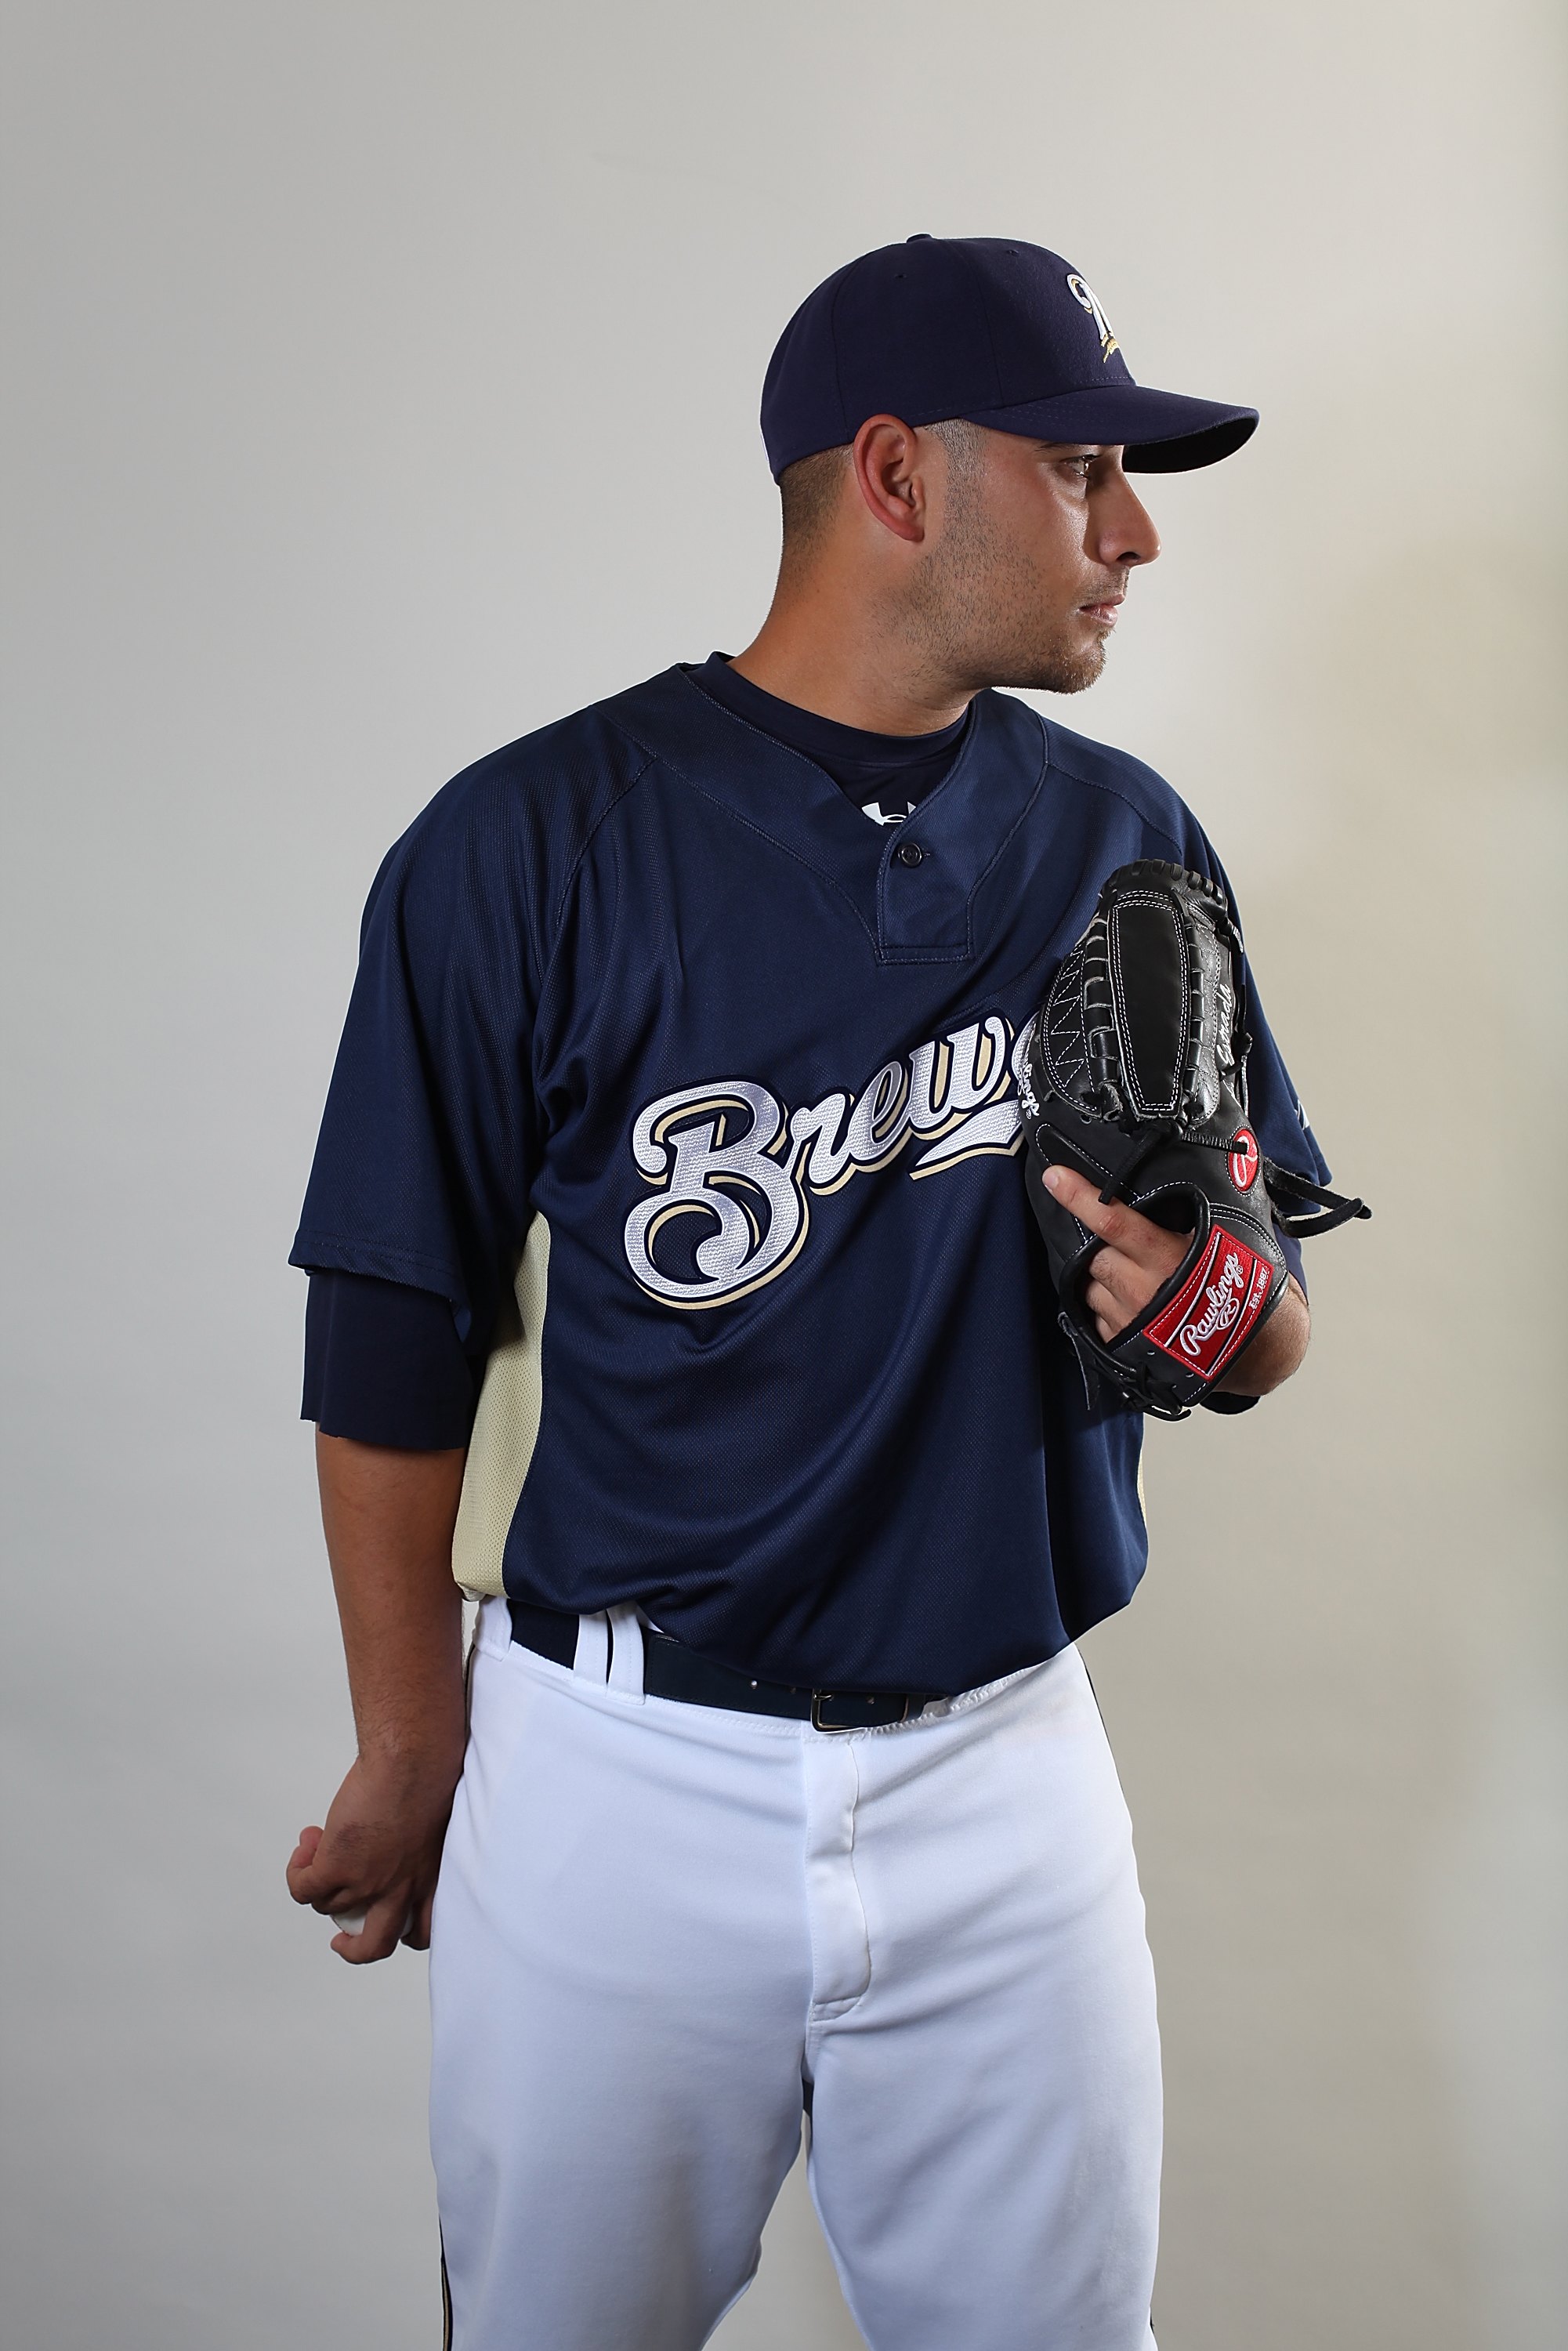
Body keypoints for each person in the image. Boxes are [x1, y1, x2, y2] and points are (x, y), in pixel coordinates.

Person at [285, 234, 1328, 2350]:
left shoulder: (1122, 836)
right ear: (894, 475)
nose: (1130, 530)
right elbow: (393, 1336)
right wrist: (411, 1742)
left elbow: (1263, 1286)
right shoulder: (530, 840)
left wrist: (1212, 1310)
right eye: (1079, 472)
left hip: (1006, 1775)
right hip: (614, 1776)